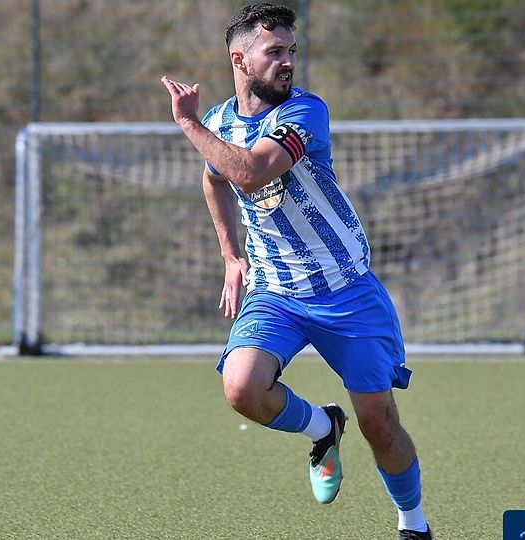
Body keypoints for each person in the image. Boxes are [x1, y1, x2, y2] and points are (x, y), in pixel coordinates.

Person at [160, 3, 431, 539]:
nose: (288, 62)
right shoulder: (219, 122)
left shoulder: (303, 113)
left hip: (345, 291)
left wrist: (187, 123)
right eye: (275, 52)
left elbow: (251, 171)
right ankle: (323, 426)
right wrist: (231, 256)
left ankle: (413, 525)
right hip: (276, 292)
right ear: (240, 59)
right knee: (241, 387)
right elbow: (214, 178)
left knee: (380, 423)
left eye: (292, 51)